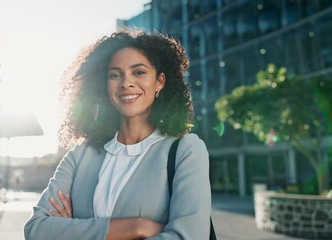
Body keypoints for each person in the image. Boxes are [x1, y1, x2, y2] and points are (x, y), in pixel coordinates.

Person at [24, 29, 211, 239]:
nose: (125, 83)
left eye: (139, 72)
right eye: (115, 75)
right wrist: (136, 227)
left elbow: (189, 237)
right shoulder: (80, 156)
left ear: (160, 81)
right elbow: (36, 229)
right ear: (104, 85)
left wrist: (73, 231)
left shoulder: (185, 150)